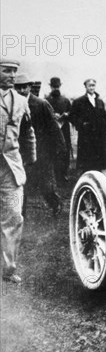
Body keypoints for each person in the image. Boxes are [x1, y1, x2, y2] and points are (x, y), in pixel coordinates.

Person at [0, 59, 36, 284]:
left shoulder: (22, 101)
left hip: (11, 168)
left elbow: (28, 132)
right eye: (7, 71)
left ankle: (8, 269)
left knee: (14, 217)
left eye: (14, 71)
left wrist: (31, 158)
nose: (12, 75)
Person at [14, 74, 66, 217]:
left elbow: (53, 127)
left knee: (46, 184)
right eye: (18, 87)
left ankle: (55, 204)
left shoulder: (41, 104)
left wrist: (60, 148)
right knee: (20, 184)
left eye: (25, 87)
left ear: (30, 87)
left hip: (42, 150)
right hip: (20, 150)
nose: (22, 90)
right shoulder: (12, 104)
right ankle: (20, 214)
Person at [69, 79, 106, 172]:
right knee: (87, 161)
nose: (92, 88)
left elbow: (104, 115)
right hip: (86, 136)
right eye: (89, 86)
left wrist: (105, 123)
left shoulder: (99, 101)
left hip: (98, 136)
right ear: (85, 87)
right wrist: (81, 124)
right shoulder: (79, 101)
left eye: (93, 85)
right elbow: (72, 116)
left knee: (98, 162)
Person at [46, 77, 72, 183]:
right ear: (50, 87)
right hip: (51, 132)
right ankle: (55, 176)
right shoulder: (46, 101)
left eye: (57, 86)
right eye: (54, 86)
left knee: (65, 152)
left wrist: (66, 115)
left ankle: (63, 175)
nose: (55, 88)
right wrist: (52, 116)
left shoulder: (65, 100)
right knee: (53, 153)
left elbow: (72, 113)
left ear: (60, 86)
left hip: (64, 130)